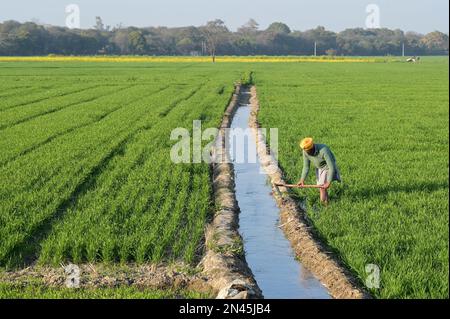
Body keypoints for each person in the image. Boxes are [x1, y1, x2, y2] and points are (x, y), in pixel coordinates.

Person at [297, 137, 341, 205]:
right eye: (306, 151)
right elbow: (306, 167)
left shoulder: (323, 150)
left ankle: (322, 204)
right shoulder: (305, 151)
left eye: (308, 151)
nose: (307, 153)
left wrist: (328, 182)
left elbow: (331, 167)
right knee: (321, 187)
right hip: (319, 168)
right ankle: (326, 204)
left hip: (328, 167)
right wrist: (302, 180)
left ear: (312, 148)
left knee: (321, 187)